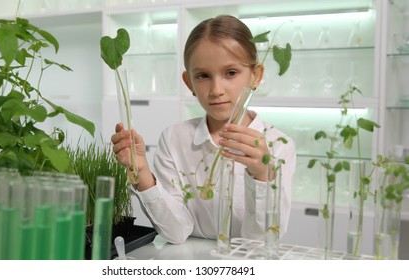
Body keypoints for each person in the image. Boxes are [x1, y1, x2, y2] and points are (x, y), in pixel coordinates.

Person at [111, 15, 296, 244]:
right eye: (203, 76)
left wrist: (262, 175)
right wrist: (143, 175)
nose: (216, 89)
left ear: (256, 76)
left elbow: (264, 241)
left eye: (230, 73)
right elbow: (176, 233)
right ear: (190, 83)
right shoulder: (174, 138)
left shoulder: (277, 144)